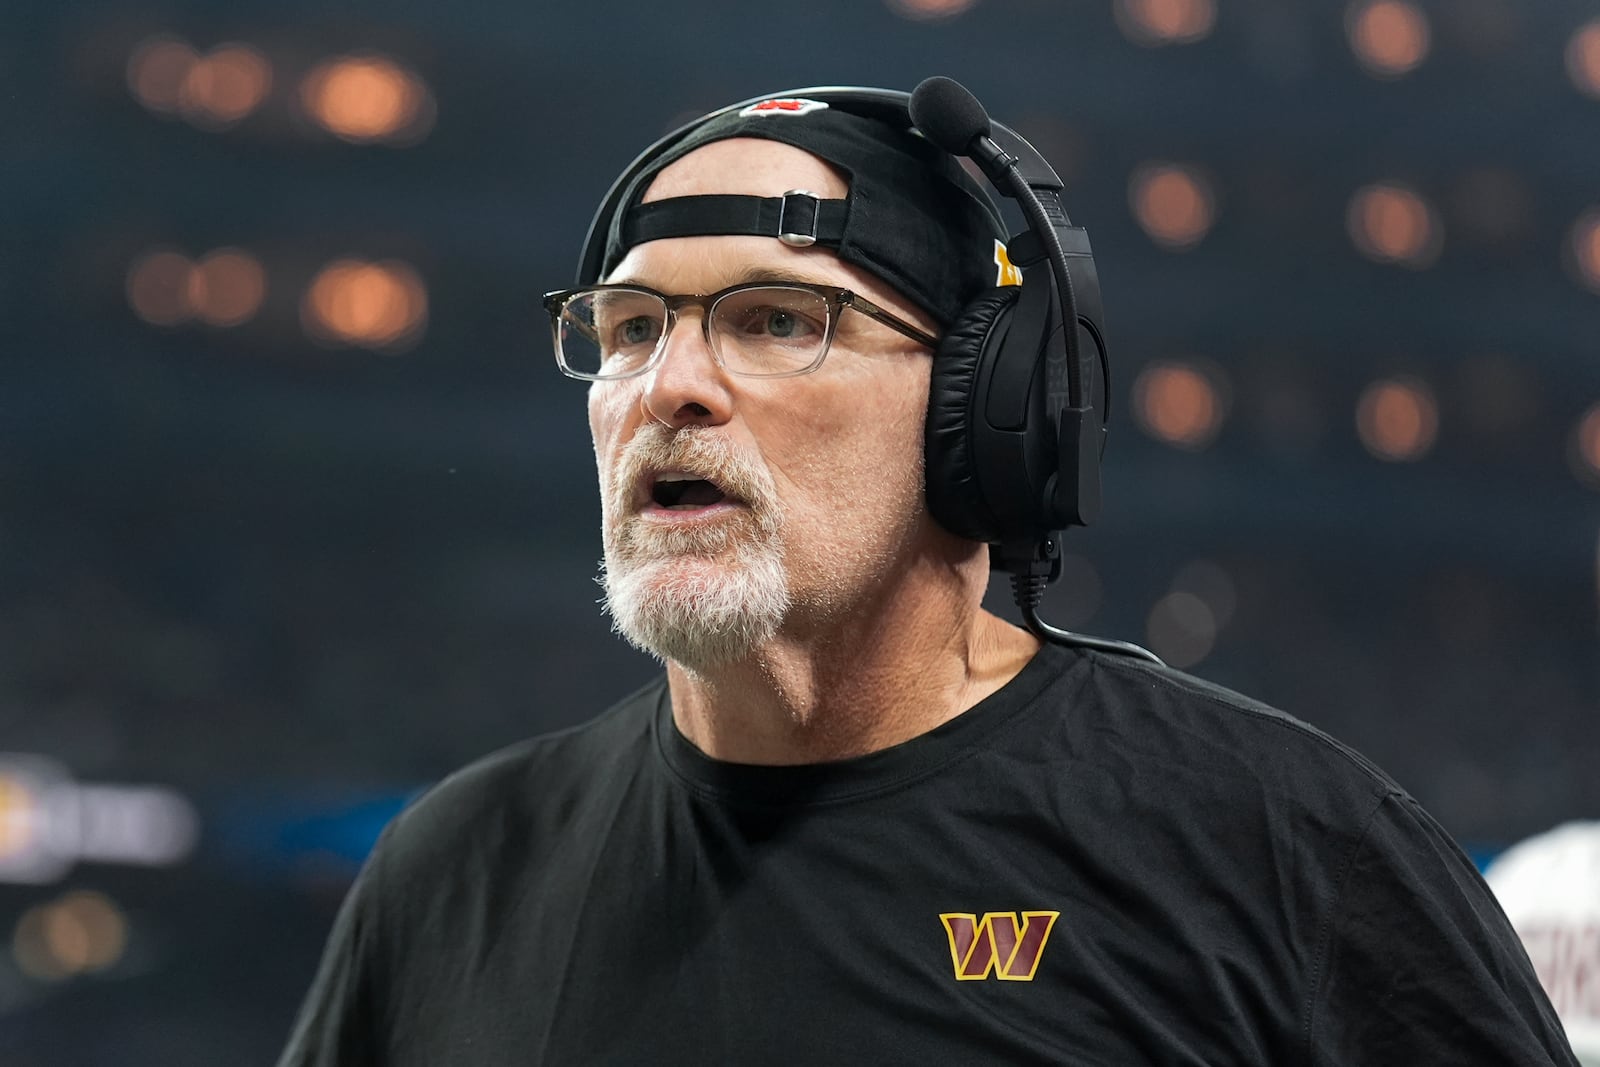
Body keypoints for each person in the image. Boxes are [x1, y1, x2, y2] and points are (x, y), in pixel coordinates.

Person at [278, 81, 1579, 1065]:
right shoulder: (452, 872)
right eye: (627, 330)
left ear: (984, 413)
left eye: (775, 321)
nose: (668, 386)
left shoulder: (1270, 841)